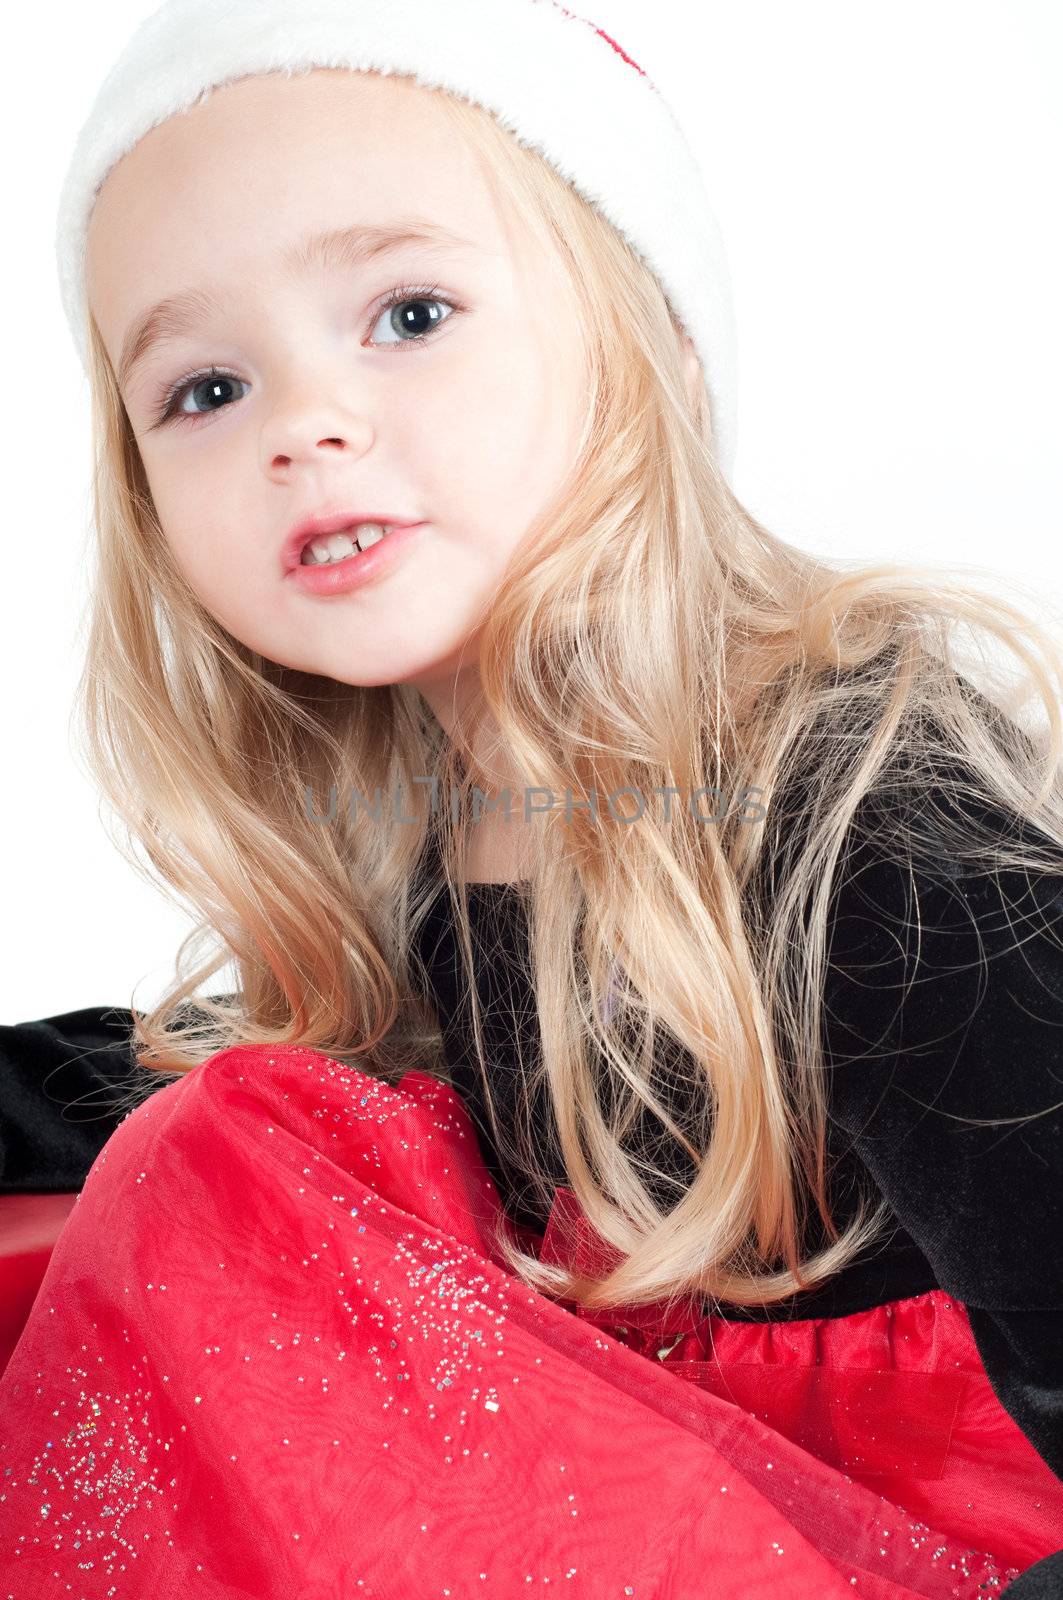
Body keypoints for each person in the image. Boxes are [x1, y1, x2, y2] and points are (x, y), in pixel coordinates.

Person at [2, 1, 1062, 1594]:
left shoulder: (859, 818)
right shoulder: (436, 815)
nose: (308, 423)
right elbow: (319, 1068)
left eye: (410, 313)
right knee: (197, 1154)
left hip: (914, 1547)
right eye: (207, 391)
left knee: (195, 1176)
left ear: (653, 346)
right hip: (632, 1496)